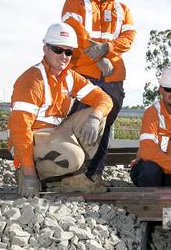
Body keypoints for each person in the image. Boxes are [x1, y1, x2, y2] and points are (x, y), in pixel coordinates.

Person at [8, 23, 113, 197]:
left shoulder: (70, 76)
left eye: (69, 52)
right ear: (45, 49)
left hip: (54, 132)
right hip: (30, 137)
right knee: (75, 157)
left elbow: (104, 99)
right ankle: (30, 173)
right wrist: (29, 173)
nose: (64, 56)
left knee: (99, 115)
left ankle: (73, 178)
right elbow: (20, 130)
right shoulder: (32, 80)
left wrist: (94, 117)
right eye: (58, 49)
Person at [61, 0, 137, 184]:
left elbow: (129, 37)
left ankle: (93, 175)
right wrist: (98, 59)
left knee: (103, 126)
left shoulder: (123, 9)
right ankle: (70, 173)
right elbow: (74, 31)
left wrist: (107, 48)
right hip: (81, 74)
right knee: (76, 123)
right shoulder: (76, 0)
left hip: (113, 78)